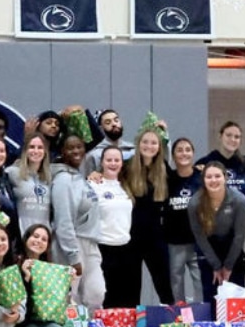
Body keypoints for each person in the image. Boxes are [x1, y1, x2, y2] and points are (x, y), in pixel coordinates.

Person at [51, 134, 105, 311]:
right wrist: (73, 255)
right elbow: (63, 220)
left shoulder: (80, 177)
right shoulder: (62, 179)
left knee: (96, 293)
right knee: (70, 300)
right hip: (71, 245)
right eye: (70, 147)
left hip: (90, 243)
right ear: (62, 152)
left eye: (79, 146)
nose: (76, 151)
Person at [188, 162, 245, 312]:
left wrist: (228, 267)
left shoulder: (239, 200)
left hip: (234, 252)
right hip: (209, 252)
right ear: (203, 180)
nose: (213, 180)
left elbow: (239, 235)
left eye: (217, 176)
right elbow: (199, 236)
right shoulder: (195, 203)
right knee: (211, 301)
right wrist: (215, 265)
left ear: (225, 178)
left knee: (234, 302)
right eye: (209, 177)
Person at [122, 128, 174, 304]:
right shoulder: (127, 167)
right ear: (138, 144)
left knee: (164, 284)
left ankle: (172, 322)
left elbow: (181, 180)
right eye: (145, 142)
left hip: (156, 235)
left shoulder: (163, 169)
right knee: (131, 285)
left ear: (160, 147)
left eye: (154, 143)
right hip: (131, 236)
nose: (149, 146)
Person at [16, 224, 75, 327]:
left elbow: (61, 301)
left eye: (44, 239)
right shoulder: (14, 262)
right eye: (35, 236)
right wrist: (24, 276)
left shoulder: (51, 270)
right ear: (26, 238)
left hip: (44, 323)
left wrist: (67, 283)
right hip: (23, 324)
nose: (39, 241)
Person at [91, 147, 135, 308]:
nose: (113, 163)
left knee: (125, 297)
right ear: (102, 162)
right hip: (103, 247)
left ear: (122, 163)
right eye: (109, 160)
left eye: (117, 160)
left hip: (125, 248)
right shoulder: (93, 185)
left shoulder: (126, 186)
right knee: (105, 296)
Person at [166, 138, 202, 303]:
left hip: (199, 242)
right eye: (179, 150)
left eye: (188, 149)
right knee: (176, 284)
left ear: (193, 154)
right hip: (174, 242)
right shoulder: (167, 179)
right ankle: (178, 319)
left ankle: (201, 320)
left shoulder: (201, 178)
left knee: (201, 283)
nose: (184, 153)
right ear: (173, 156)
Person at [5, 133, 52, 236]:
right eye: (31, 147)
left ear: (45, 152)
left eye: (40, 148)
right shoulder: (12, 172)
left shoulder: (49, 177)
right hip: (21, 232)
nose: (36, 151)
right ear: (25, 150)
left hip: (44, 235)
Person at [195, 121, 245, 201]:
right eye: (228, 135)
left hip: (241, 211)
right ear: (220, 136)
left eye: (237, 137)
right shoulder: (205, 163)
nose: (232, 139)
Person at [83, 109, 138, 173]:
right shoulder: (94, 155)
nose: (114, 124)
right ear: (101, 128)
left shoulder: (133, 150)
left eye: (116, 120)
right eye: (108, 122)